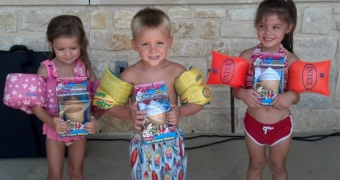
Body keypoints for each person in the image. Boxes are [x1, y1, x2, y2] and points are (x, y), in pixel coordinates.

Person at [105, 7, 209, 179]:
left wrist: (180, 111)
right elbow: (110, 107)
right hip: (142, 143)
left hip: (172, 141)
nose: (153, 50)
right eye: (145, 44)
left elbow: (198, 101)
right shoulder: (129, 75)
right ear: (134, 45)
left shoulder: (177, 71)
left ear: (170, 42)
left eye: (159, 43)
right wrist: (128, 112)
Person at [232, 0, 300, 180]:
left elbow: (296, 95)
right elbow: (235, 90)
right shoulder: (246, 57)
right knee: (256, 164)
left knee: (278, 167)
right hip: (254, 124)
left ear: (288, 28)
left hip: (281, 126)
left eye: (276, 27)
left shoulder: (292, 61)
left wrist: (290, 96)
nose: (268, 32)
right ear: (256, 26)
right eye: (262, 25)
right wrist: (243, 93)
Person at [31, 15, 102, 180]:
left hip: (79, 130)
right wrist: (50, 122)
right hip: (55, 128)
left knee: (77, 173)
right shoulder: (45, 70)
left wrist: (94, 119)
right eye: (61, 49)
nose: (68, 54)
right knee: (55, 175)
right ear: (51, 44)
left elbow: (99, 102)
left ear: (82, 43)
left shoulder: (85, 70)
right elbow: (35, 104)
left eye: (73, 48)